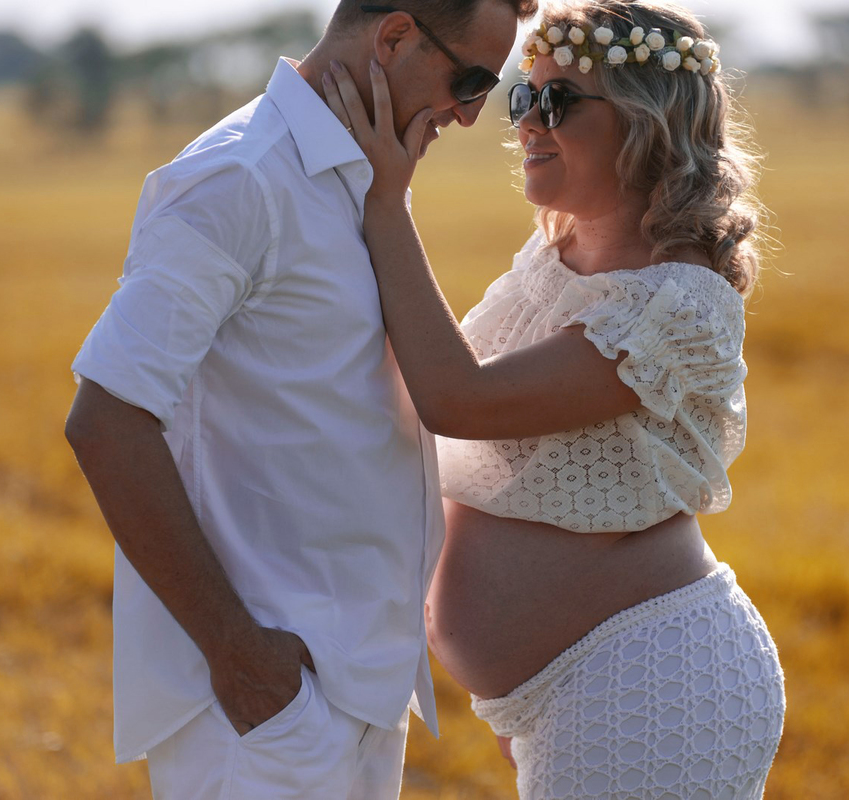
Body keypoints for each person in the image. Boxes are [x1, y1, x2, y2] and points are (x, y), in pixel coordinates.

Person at [62, 1, 536, 797]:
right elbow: (106, 420)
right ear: (393, 36)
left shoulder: (367, 173)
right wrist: (243, 658)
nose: (469, 114)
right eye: (470, 79)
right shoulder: (239, 177)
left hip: (354, 696)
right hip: (265, 713)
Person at [322, 0, 786, 797]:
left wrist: (386, 205)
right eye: (523, 98)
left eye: (558, 101)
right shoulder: (556, 253)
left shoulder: (676, 304)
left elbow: (460, 400)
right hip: (573, 694)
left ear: (649, 123)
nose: (528, 123)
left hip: (652, 679)